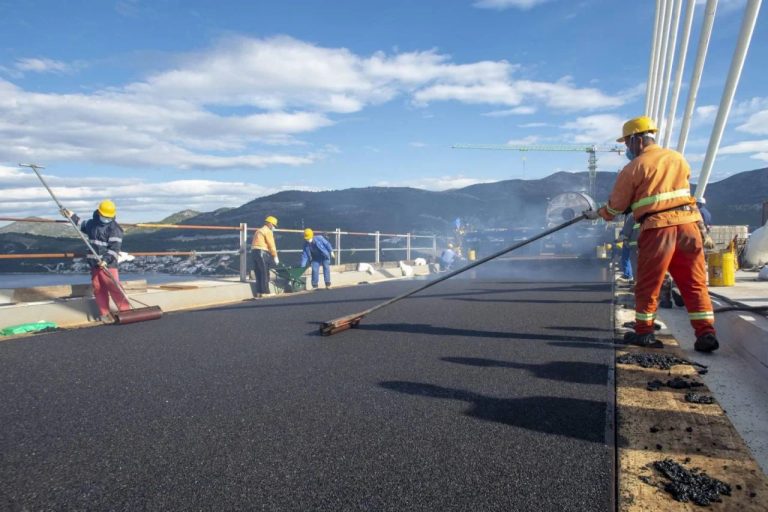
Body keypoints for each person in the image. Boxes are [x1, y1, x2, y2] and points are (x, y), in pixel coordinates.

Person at [583, 116, 719, 352]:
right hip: (688, 227)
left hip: (658, 229)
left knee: (648, 282)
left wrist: (598, 214)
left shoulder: (635, 167)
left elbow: (616, 206)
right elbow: (680, 194)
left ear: (636, 139)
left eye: (627, 143)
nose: (626, 147)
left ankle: (644, 332)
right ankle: (705, 333)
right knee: (694, 283)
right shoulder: (678, 159)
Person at [62, 200, 131, 323]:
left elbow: (115, 249)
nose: (107, 219)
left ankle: (126, 312)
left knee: (115, 287)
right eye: (105, 216)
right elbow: (81, 224)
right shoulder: (92, 224)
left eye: (109, 217)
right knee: (98, 288)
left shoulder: (115, 229)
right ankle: (105, 314)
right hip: (94, 263)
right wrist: (70, 215)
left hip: (108, 265)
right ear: (99, 213)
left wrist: (105, 260)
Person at [251, 215, 279, 297]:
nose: (273, 227)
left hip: (254, 252)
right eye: (273, 225)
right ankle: (266, 292)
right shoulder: (267, 231)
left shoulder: (258, 230)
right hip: (262, 252)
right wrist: (275, 256)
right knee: (265, 273)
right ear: (270, 224)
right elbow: (271, 244)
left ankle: (259, 292)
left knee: (258, 273)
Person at [618, 213, 638, 283]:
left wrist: (621, 237)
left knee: (633, 262)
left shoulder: (632, 215)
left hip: (633, 244)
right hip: (643, 245)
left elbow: (626, 231)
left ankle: (630, 276)